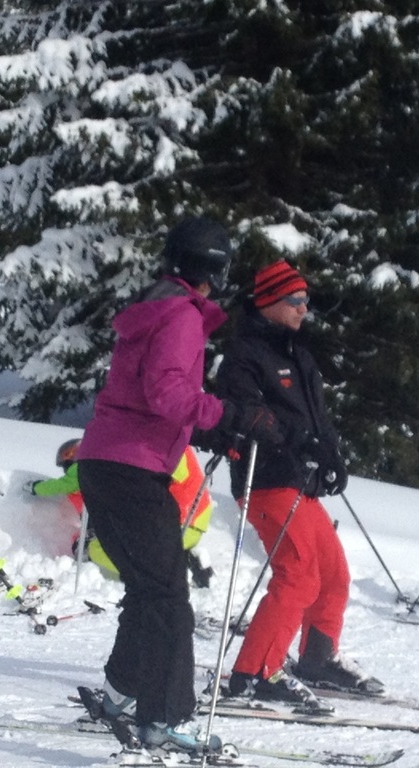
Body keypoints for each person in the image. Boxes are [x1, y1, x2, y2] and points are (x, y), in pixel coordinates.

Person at [74, 217, 281, 752]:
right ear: (216, 270)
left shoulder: (157, 307)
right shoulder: (182, 315)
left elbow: (149, 394)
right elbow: (167, 393)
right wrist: (230, 413)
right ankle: (164, 718)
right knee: (168, 597)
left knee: (150, 588)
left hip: (108, 461)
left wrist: (211, 427)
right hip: (132, 468)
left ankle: (120, 693)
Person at [215, 259, 383, 707]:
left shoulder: (298, 355)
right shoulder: (245, 355)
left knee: (333, 574)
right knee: (299, 575)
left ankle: (317, 659)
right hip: (266, 478)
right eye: (294, 300)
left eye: (306, 300)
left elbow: (318, 418)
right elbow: (247, 414)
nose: (303, 308)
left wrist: (331, 454)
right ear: (269, 301)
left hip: (301, 480)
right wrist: (299, 441)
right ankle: (254, 673)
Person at [27, 439, 215, 587]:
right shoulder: (169, 443)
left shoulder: (164, 443)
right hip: (192, 524)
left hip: (177, 523)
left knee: (99, 549)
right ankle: (184, 561)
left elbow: (67, 484)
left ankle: (145, 575)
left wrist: (36, 488)